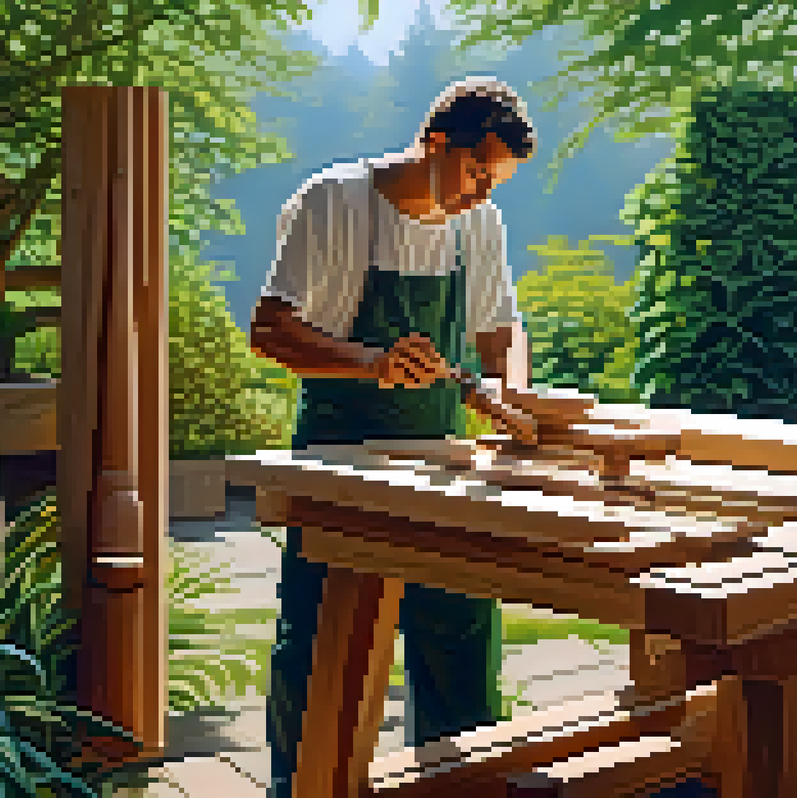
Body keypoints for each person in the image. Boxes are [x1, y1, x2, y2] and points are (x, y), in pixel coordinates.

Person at [249, 76, 534, 797]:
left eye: (495, 183)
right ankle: (304, 786)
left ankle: (456, 785)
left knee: (461, 632)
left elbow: (500, 334)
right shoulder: (334, 201)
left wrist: (509, 398)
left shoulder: (480, 227)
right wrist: (370, 362)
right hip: (338, 458)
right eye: (476, 173)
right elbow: (270, 330)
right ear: (436, 143)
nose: (481, 195)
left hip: (441, 459)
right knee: (320, 642)